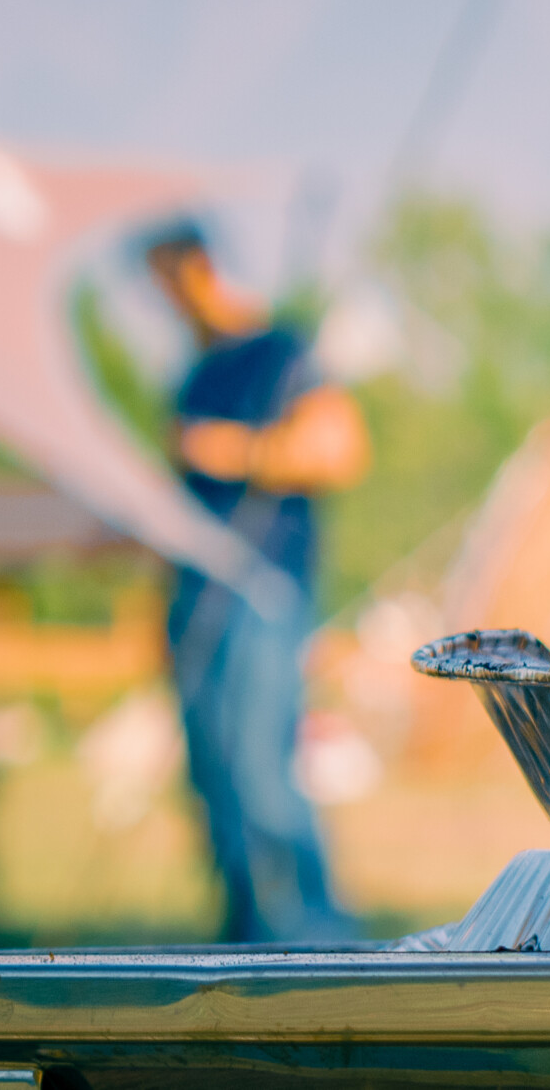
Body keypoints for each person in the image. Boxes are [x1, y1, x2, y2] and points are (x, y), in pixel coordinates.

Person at [142, 219, 370, 942]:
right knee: (213, 780)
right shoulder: (192, 374)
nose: (163, 299)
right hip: (195, 597)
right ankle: (242, 939)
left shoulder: (281, 352)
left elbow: (339, 450)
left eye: (165, 279)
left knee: (263, 772)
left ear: (197, 265)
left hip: (261, 589)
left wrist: (232, 449)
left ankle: (317, 933)